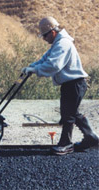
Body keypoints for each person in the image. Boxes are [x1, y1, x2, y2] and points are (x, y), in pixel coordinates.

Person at [22, 16, 99, 155]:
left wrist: (35, 70)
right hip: (71, 83)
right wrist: (31, 67)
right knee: (72, 112)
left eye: (44, 36)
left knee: (67, 114)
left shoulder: (63, 44)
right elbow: (44, 60)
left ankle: (66, 144)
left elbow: (54, 65)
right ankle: (91, 138)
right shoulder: (57, 44)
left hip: (75, 83)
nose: (44, 39)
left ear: (52, 32)